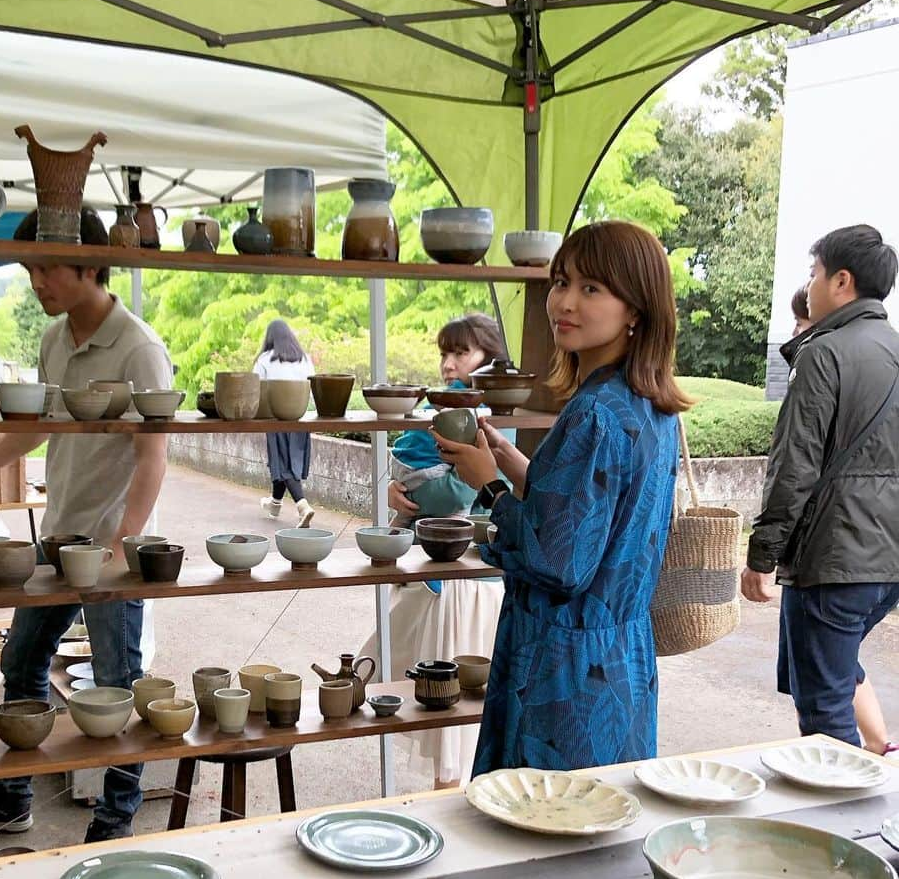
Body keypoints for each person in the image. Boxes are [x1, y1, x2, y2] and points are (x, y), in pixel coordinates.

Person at [0, 207, 173, 843]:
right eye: (30, 270)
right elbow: (38, 424)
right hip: (57, 535)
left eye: (48, 269)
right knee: (23, 659)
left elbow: (154, 454)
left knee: (116, 684)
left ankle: (116, 817)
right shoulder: (54, 338)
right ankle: (11, 797)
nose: (37, 283)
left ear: (91, 265)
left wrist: (125, 538)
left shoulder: (139, 347)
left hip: (112, 547)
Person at [435, 220, 688, 773]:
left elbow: (559, 560)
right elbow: (585, 512)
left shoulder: (594, 413)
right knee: (604, 823)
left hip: (565, 672)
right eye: (561, 282)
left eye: (591, 288)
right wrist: (508, 459)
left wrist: (489, 485)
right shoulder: (648, 406)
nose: (564, 303)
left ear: (636, 309)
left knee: (542, 832)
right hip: (620, 661)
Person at [742, 223, 899, 754]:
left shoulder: (824, 353)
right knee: (830, 668)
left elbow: (794, 468)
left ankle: (845, 825)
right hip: (888, 564)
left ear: (841, 281)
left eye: (813, 274)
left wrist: (762, 557)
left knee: (825, 710)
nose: (808, 286)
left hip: (834, 561)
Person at [362, 313, 508, 788]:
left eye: (460, 353)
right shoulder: (457, 415)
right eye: (445, 353)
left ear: (490, 356)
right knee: (453, 718)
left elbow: (460, 495)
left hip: (470, 584)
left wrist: (408, 490)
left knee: (455, 720)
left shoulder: (492, 418)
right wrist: (395, 488)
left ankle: (450, 821)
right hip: (452, 578)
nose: (448, 365)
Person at [255, 319, 315, 525]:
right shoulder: (304, 359)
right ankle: (274, 504)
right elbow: (313, 389)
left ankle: (303, 506)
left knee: (283, 465)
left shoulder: (265, 359)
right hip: (299, 418)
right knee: (285, 463)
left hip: (276, 418)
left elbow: (256, 390)